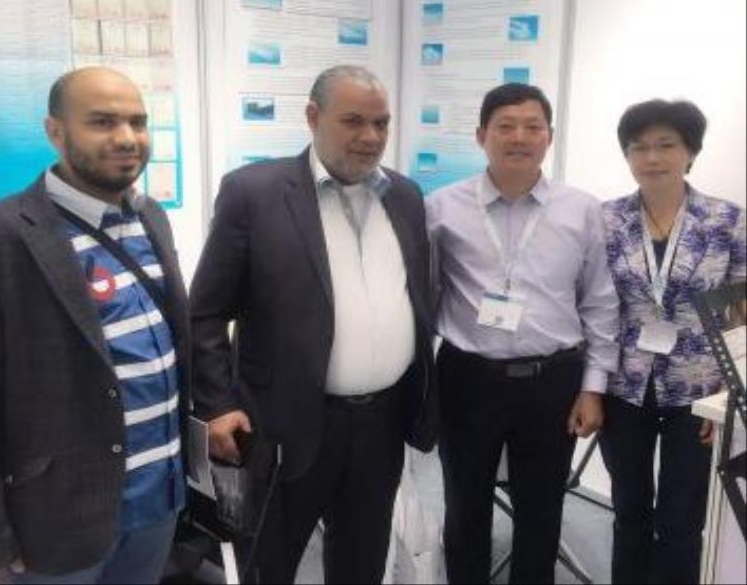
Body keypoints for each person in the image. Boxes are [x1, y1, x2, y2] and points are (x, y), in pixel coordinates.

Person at [190, 64, 437, 584]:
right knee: (270, 566)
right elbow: (205, 313)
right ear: (312, 116)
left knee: (362, 563)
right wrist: (216, 404)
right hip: (284, 424)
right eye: (353, 121)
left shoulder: (406, 196)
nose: (370, 137)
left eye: (381, 123)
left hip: (382, 424)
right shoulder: (253, 194)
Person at [0, 67, 190, 584]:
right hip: (55, 521)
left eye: (138, 122)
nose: (127, 138)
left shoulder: (150, 217)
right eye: (102, 122)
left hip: (158, 502)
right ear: (55, 131)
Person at [426, 82, 619, 584]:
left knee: (542, 507)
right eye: (506, 126)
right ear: (481, 136)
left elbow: (599, 302)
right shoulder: (442, 208)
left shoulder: (582, 210)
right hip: (467, 378)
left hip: (552, 380)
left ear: (549, 137)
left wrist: (593, 388)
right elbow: (424, 296)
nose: (519, 137)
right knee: (464, 503)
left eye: (533, 127)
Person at [600, 99, 746, 584]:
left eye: (666, 145)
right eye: (639, 147)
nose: (652, 157)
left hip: (699, 390)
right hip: (625, 386)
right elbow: (595, 308)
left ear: (691, 152)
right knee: (629, 513)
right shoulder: (606, 220)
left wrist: (727, 398)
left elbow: (743, 315)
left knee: (682, 521)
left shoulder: (728, 221)